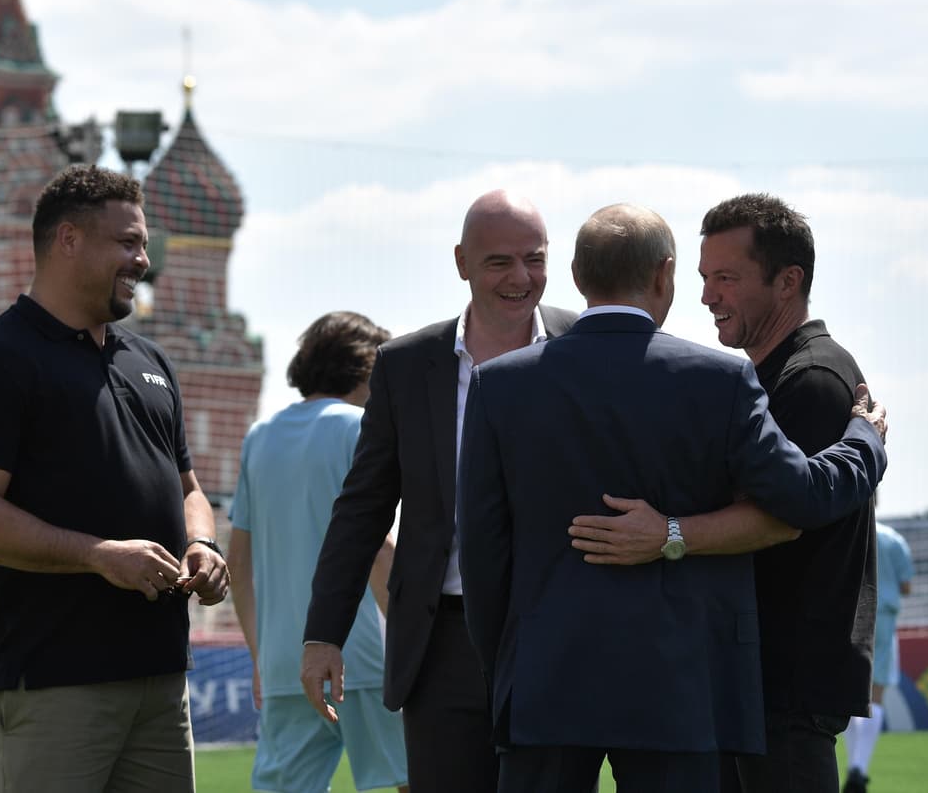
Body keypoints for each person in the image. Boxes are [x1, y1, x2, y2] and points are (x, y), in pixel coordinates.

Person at [457, 203, 887, 793]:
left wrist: (503, 665)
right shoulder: (721, 380)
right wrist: (865, 438)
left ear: (577, 278)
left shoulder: (499, 384)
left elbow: (482, 551)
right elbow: (803, 498)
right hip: (679, 689)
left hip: (544, 681)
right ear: (665, 275)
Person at [0, 164, 229, 793]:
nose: (143, 259)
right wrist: (97, 555)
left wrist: (202, 544)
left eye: (143, 243)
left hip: (159, 678)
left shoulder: (149, 360)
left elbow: (189, 489)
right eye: (128, 242)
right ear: (68, 240)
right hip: (52, 682)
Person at [299, 190, 578, 792]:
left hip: (559, 636)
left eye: (534, 258)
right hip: (442, 642)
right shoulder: (405, 365)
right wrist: (324, 633)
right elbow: (363, 510)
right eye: (498, 261)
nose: (520, 277)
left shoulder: (582, 346)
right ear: (461, 262)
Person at [227, 311, 409, 793]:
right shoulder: (360, 428)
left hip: (286, 661)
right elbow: (373, 549)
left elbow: (238, 564)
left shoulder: (258, 438)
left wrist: (260, 657)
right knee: (421, 778)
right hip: (364, 658)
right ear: (368, 368)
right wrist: (418, 649)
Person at [842, 521, 913, 793]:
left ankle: (852, 766)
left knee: (850, 693)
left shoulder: (848, 532)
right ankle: (859, 769)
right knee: (877, 693)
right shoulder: (893, 539)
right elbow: (906, 585)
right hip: (883, 617)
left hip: (851, 613)